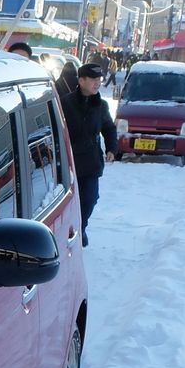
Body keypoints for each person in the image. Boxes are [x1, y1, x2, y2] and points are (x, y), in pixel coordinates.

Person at [59, 62, 118, 247]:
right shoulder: (65, 103)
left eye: (99, 80)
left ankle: (80, 226)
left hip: (91, 162)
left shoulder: (101, 106)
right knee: (67, 202)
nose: (97, 83)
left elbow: (109, 128)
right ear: (81, 80)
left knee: (90, 199)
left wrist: (111, 148)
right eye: (93, 79)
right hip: (69, 161)